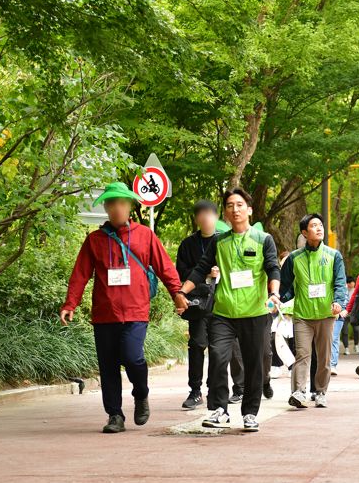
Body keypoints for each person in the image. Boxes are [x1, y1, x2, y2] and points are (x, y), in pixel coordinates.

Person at [60, 182, 188, 433]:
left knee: (132, 357)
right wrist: (70, 303)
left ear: (129, 206)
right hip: (105, 313)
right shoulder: (94, 240)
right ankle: (115, 415)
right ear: (106, 208)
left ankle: (141, 393)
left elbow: (164, 266)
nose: (117, 208)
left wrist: (177, 292)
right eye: (112, 204)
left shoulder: (145, 235)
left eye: (122, 203)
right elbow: (80, 274)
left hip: (135, 310)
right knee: (108, 366)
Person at [180, 188, 281, 432]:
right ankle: (219, 410)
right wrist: (182, 292)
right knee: (217, 357)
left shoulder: (263, 239)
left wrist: (274, 293)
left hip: (255, 312)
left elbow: (272, 268)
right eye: (229, 205)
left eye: (239, 204)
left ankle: (250, 413)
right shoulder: (219, 241)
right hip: (223, 313)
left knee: (253, 364)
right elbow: (200, 268)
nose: (234, 209)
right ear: (225, 212)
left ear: (249, 209)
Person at [176, 200, 247, 410]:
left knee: (224, 349)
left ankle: (226, 389)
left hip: (222, 303)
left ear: (217, 217)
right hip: (198, 304)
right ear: (196, 218)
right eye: (201, 214)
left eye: (210, 214)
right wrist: (206, 274)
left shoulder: (225, 241)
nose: (206, 218)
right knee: (197, 345)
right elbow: (182, 273)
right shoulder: (188, 244)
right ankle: (195, 391)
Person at [280, 214, 347, 409]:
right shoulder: (294, 258)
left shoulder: (334, 256)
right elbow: (286, 286)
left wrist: (338, 302)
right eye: (313, 225)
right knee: (302, 354)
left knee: (324, 358)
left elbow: (340, 282)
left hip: (326, 315)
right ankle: (299, 392)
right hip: (302, 315)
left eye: (320, 225)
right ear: (304, 232)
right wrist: (277, 299)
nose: (319, 228)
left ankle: (320, 392)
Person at [331, 276, 356, 370]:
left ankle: (332, 364)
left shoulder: (341, 283)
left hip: (338, 315)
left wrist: (343, 310)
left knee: (334, 338)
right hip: (324, 315)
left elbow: (345, 298)